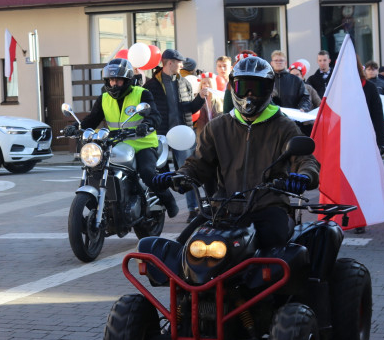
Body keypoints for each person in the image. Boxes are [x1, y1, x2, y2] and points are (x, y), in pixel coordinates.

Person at [153, 56, 320, 249]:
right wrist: (179, 176)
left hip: (268, 207)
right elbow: (198, 164)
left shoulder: (284, 126)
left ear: (268, 89)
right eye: (243, 87)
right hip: (223, 207)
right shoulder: (217, 126)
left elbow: (306, 160)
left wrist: (304, 176)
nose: (249, 94)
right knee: (181, 249)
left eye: (256, 88)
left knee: (274, 251)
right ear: (233, 87)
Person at [67, 58, 180, 218]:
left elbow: (155, 115)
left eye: (118, 80)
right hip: (116, 145)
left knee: (147, 173)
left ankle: (169, 200)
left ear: (127, 80)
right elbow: (92, 119)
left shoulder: (142, 94)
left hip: (143, 145)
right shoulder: (104, 98)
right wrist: (76, 127)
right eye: (111, 80)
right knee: (97, 168)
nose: (114, 84)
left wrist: (146, 124)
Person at [144, 49, 205, 215]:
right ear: (170, 62)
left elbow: (190, 109)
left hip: (182, 136)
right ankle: (159, 207)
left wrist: (200, 98)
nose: (182, 65)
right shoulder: (151, 86)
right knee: (158, 173)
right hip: (160, 136)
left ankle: (193, 209)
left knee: (189, 171)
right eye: (179, 62)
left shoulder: (184, 83)